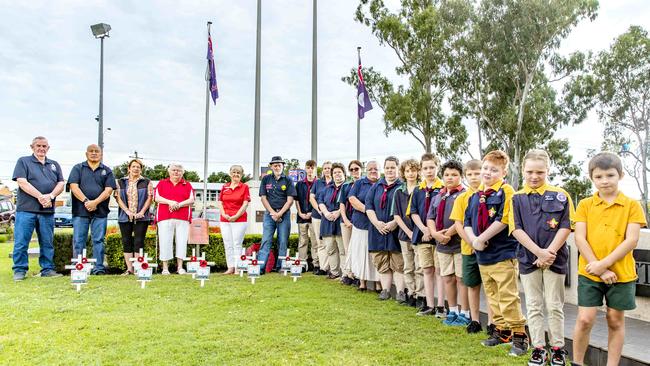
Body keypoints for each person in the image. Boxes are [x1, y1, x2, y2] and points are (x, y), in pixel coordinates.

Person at [572, 152, 646, 366]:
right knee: (585, 319)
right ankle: (577, 362)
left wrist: (604, 265)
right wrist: (599, 269)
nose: (605, 181)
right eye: (599, 176)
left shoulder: (632, 205)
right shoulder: (585, 205)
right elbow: (579, 238)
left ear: (620, 175)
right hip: (590, 272)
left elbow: (631, 240)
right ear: (592, 178)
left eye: (610, 175)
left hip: (621, 274)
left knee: (615, 320)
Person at [510, 149, 574, 366]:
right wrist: (538, 252)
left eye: (540, 172)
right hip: (529, 260)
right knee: (534, 305)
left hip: (555, 260)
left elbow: (566, 226)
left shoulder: (561, 195)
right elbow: (516, 229)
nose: (534, 176)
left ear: (548, 170)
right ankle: (538, 348)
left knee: (555, 305)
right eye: (529, 172)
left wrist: (549, 253)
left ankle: (557, 349)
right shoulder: (516, 198)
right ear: (522, 170)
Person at [464, 150, 528, 357]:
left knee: (508, 296)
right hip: (482, 255)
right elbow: (467, 222)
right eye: (485, 168)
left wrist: (482, 238)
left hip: (502, 253)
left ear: (503, 173)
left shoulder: (506, 192)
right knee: (492, 295)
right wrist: (473, 239)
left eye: (494, 170)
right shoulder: (476, 196)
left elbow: (505, 218)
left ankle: (519, 336)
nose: (487, 173)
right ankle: (501, 332)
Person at [12, 136, 65, 281]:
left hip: (47, 211)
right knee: (21, 242)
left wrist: (51, 196)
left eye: (44, 146)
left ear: (48, 148)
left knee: (47, 242)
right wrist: (40, 196)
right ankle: (19, 270)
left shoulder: (54, 164)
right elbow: (22, 182)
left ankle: (47, 269)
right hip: (26, 210)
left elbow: (61, 183)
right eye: (38, 146)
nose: (41, 148)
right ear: (32, 147)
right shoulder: (23, 161)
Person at [450, 159, 494, 334]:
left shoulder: (491, 195)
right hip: (469, 250)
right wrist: (472, 242)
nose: (474, 177)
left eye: (477, 173)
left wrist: (482, 241)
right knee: (472, 285)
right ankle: (474, 319)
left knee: (490, 287)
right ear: (465, 176)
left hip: (490, 249)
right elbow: (459, 224)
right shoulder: (462, 198)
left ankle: (492, 322)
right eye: (470, 174)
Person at [426, 161, 469, 326]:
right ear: (442, 177)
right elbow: (430, 217)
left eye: (454, 175)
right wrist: (436, 234)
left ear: (461, 176)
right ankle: (453, 310)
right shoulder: (438, 196)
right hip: (442, 245)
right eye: (447, 175)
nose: (450, 178)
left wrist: (448, 234)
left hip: (458, 244)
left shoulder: (464, 195)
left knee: (461, 279)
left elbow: (464, 219)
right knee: (447, 278)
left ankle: (464, 312)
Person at [68, 144, 116, 275]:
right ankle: (79, 266)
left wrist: (95, 202)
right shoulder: (78, 168)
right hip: (80, 211)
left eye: (97, 151)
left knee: (99, 240)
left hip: (100, 212)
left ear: (101, 154)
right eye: (91, 151)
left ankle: (98, 268)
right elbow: (74, 186)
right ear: (86, 154)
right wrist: (86, 201)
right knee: (79, 240)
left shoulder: (107, 171)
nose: (94, 153)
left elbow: (108, 190)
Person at [409, 153, 444, 315]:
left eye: (432, 167)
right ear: (421, 170)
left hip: (438, 236)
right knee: (427, 270)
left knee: (440, 271)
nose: (429, 171)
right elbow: (414, 212)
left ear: (437, 167)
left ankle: (441, 305)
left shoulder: (443, 189)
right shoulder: (418, 190)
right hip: (422, 235)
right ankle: (430, 305)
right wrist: (424, 229)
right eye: (425, 168)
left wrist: (432, 231)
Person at [365, 156, 405, 301]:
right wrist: (376, 223)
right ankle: (385, 290)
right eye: (387, 167)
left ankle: (401, 292)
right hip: (378, 230)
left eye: (392, 167)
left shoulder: (403, 186)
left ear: (397, 169)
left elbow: (406, 208)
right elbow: (368, 206)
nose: (389, 170)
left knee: (398, 262)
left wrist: (394, 223)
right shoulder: (376, 186)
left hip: (396, 230)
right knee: (381, 262)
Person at [154, 163, 195, 275]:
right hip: (164, 216)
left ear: (183, 172)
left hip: (182, 217)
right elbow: (157, 197)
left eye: (178, 170)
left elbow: (191, 200)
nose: (176, 172)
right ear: (169, 171)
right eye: (174, 170)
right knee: (165, 241)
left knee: (181, 241)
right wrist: (170, 202)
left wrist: (179, 204)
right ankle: (165, 268)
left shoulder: (187, 185)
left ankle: (180, 267)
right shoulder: (162, 183)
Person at [115, 158, 154, 275]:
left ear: (141, 169)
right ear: (129, 168)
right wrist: (127, 211)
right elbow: (117, 197)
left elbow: (150, 198)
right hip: (125, 216)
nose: (136, 169)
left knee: (139, 241)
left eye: (138, 167)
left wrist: (142, 212)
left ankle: (138, 268)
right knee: (126, 241)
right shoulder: (120, 182)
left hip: (141, 217)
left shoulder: (147, 182)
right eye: (134, 166)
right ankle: (129, 269)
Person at [392, 158, 422, 307]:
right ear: (403, 173)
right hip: (405, 235)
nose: (411, 174)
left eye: (413, 170)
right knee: (408, 266)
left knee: (420, 266)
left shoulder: (422, 189)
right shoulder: (399, 191)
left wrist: (416, 232)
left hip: (420, 235)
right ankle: (411, 293)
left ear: (418, 172)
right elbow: (396, 215)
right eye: (407, 171)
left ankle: (421, 295)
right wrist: (408, 232)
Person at [259, 156, 296, 273]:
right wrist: (273, 213)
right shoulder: (266, 180)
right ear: (271, 166)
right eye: (275, 165)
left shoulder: (288, 180)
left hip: (284, 214)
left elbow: (290, 200)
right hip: (269, 214)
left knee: (283, 240)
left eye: (279, 165)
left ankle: (281, 267)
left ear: (283, 166)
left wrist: (279, 213)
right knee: (266, 240)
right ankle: (260, 267)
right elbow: (263, 198)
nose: (277, 167)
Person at [346, 161, 380, 290]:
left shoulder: (382, 184)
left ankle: (378, 283)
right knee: (360, 254)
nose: (373, 171)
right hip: (361, 223)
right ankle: (362, 282)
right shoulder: (360, 183)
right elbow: (352, 199)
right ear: (366, 170)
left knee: (375, 254)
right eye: (370, 169)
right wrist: (368, 210)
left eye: (375, 169)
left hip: (377, 225)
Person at [217, 165, 250, 275]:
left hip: (239, 220)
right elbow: (220, 202)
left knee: (237, 244)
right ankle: (230, 267)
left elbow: (245, 204)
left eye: (238, 173)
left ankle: (238, 267)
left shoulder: (244, 187)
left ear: (241, 175)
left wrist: (236, 216)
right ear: (230, 173)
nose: (236, 174)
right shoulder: (224, 187)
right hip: (225, 219)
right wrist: (223, 214)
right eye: (234, 172)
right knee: (228, 244)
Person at [317, 163, 347, 279]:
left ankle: (345, 274)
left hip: (341, 221)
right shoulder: (327, 188)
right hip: (327, 221)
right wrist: (326, 213)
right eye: (335, 172)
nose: (337, 174)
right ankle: (334, 272)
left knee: (343, 250)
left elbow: (348, 202)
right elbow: (320, 201)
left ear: (344, 173)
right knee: (330, 249)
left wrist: (339, 212)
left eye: (339, 172)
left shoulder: (348, 187)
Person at [339, 159, 362, 285]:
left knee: (358, 249)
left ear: (361, 169)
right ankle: (349, 274)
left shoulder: (365, 184)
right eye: (352, 169)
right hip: (347, 221)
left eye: (356, 169)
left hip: (360, 222)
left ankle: (359, 275)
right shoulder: (346, 186)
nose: (354, 171)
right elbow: (342, 204)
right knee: (348, 249)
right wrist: (346, 220)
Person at [310, 161, 332, 275]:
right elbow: (311, 198)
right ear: (322, 170)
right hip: (318, 216)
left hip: (332, 218)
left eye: (329, 168)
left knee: (332, 243)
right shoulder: (318, 182)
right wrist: (319, 209)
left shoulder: (337, 182)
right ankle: (323, 268)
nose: (327, 170)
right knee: (321, 243)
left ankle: (333, 268)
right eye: (325, 168)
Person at [295, 160, 318, 271]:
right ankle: (303, 263)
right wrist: (300, 213)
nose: (310, 170)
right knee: (303, 241)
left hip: (314, 216)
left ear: (315, 169)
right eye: (308, 168)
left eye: (312, 168)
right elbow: (297, 200)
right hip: (302, 217)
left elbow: (319, 201)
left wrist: (312, 212)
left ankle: (316, 263)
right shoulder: (299, 184)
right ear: (305, 169)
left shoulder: (319, 183)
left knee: (315, 241)